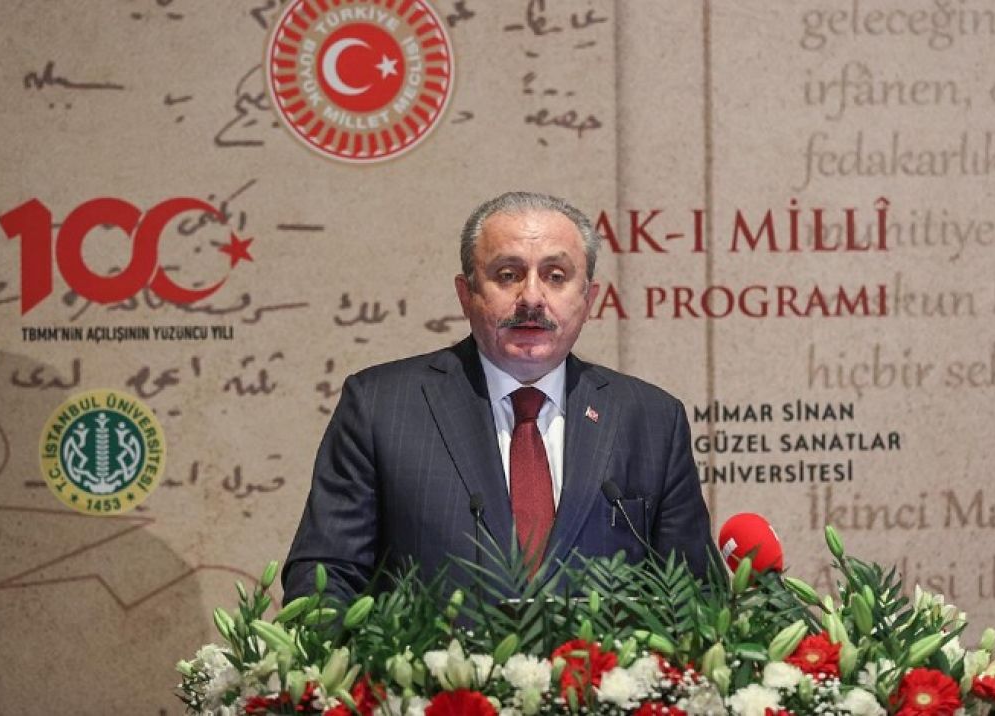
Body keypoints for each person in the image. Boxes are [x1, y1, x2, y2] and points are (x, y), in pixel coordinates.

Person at [282, 191, 713, 601]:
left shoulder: (652, 420)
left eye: (556, 276)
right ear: (466, 294)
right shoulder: (381, 407)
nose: (531, 298)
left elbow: (696, 594)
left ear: (589, 299)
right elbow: (325, 578)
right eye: (507, 275)